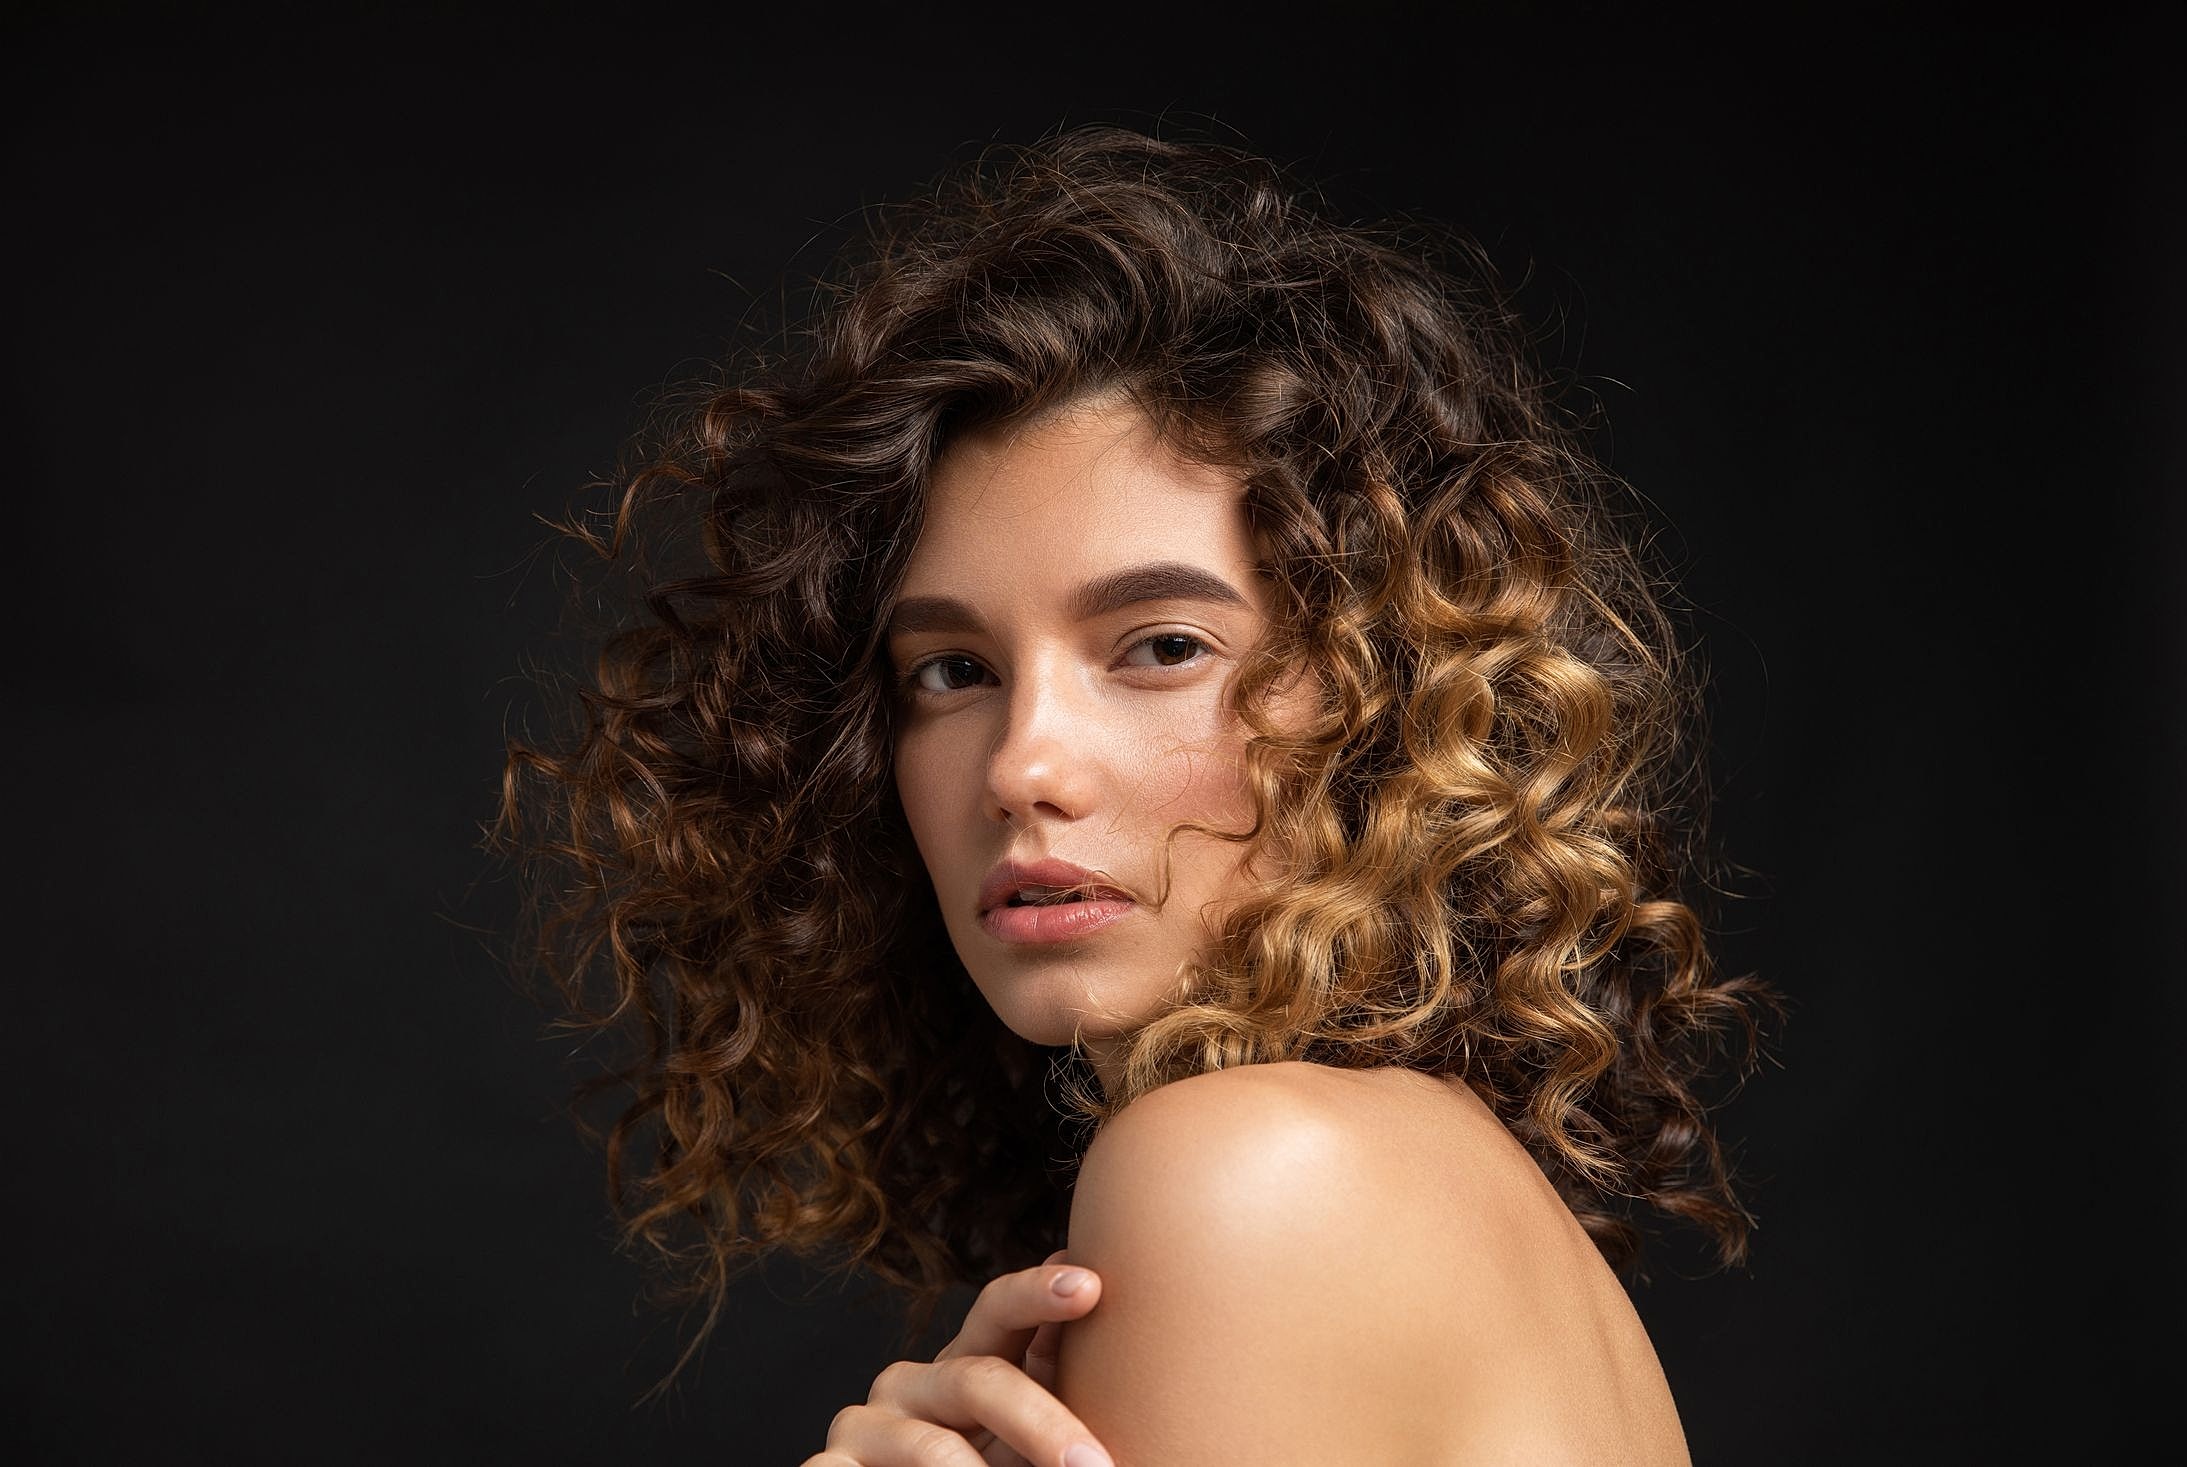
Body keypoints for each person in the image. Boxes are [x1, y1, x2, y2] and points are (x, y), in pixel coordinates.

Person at [494, 122, 1779, 1467]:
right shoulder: (1415, 1173)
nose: (1022, 767)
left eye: (1162, 648)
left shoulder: (1249, 1172)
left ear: (1381, 699)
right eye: (951, 672)